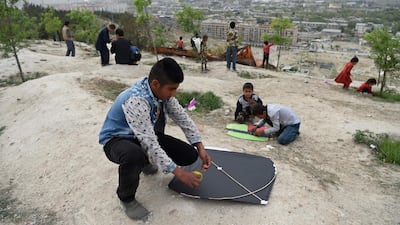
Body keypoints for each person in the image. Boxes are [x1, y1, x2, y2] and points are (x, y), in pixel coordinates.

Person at [98, 57, 211, 221]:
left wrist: (200, 146)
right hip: (116, 140)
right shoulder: (136, 100)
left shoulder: (163, 95)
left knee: (190, 155)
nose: (174, 94)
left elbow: (182, 118)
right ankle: (126, 198)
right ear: (156, 84)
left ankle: (145, 162)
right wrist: (179, 173)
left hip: (143, 135)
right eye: (171, 89)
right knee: (133, 155)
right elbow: (150, 144)